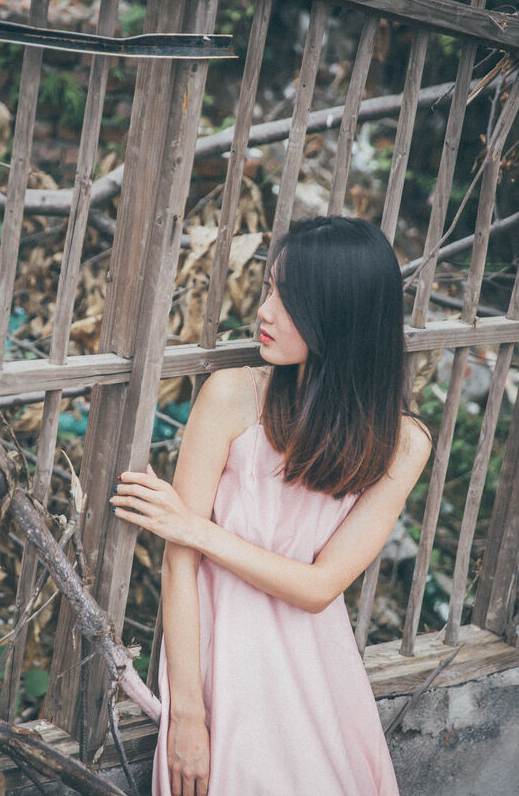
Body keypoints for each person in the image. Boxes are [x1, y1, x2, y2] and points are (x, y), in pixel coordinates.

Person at [110, 216, 433, 796]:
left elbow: (318, 588)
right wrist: (187, 714)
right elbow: (178, 565)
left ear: (339, 314)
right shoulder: (232, 395)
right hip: (221, 659)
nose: (263, 311)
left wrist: (197, 530)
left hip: (314, 670)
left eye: (288, 299)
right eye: (269, 289)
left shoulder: (403, 442)